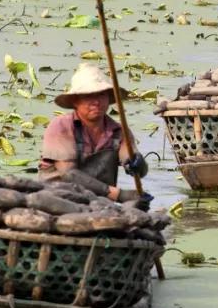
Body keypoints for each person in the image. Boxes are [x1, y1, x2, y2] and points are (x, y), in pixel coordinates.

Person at [39, 63, 152, 210]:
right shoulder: (61, 127)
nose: (96, 102)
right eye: (88, 96)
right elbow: (70, 174)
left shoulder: (119, 131)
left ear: (109, 98)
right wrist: (119, 195)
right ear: (75, 101)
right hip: (59, 200)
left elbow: (134, 164)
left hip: (99, 204)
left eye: (101, 95)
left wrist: (138, 163)